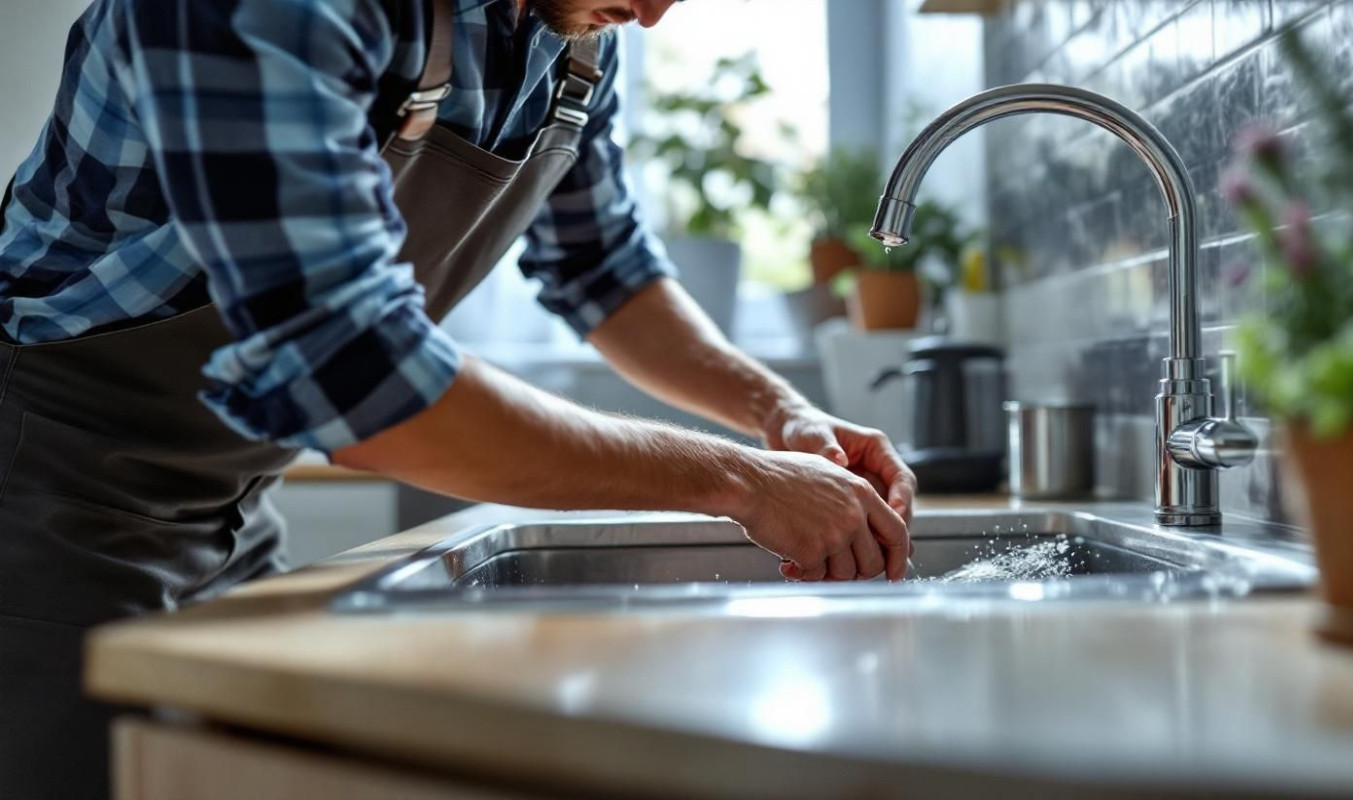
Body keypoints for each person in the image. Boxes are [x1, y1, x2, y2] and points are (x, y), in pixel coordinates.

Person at [0, 0, 916, 795]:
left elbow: (604, 266)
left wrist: (780, 414)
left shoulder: (571, 27)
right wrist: (743, 482)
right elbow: (361, 379)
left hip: (227, 507)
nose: (656, 12)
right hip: (40, 491)